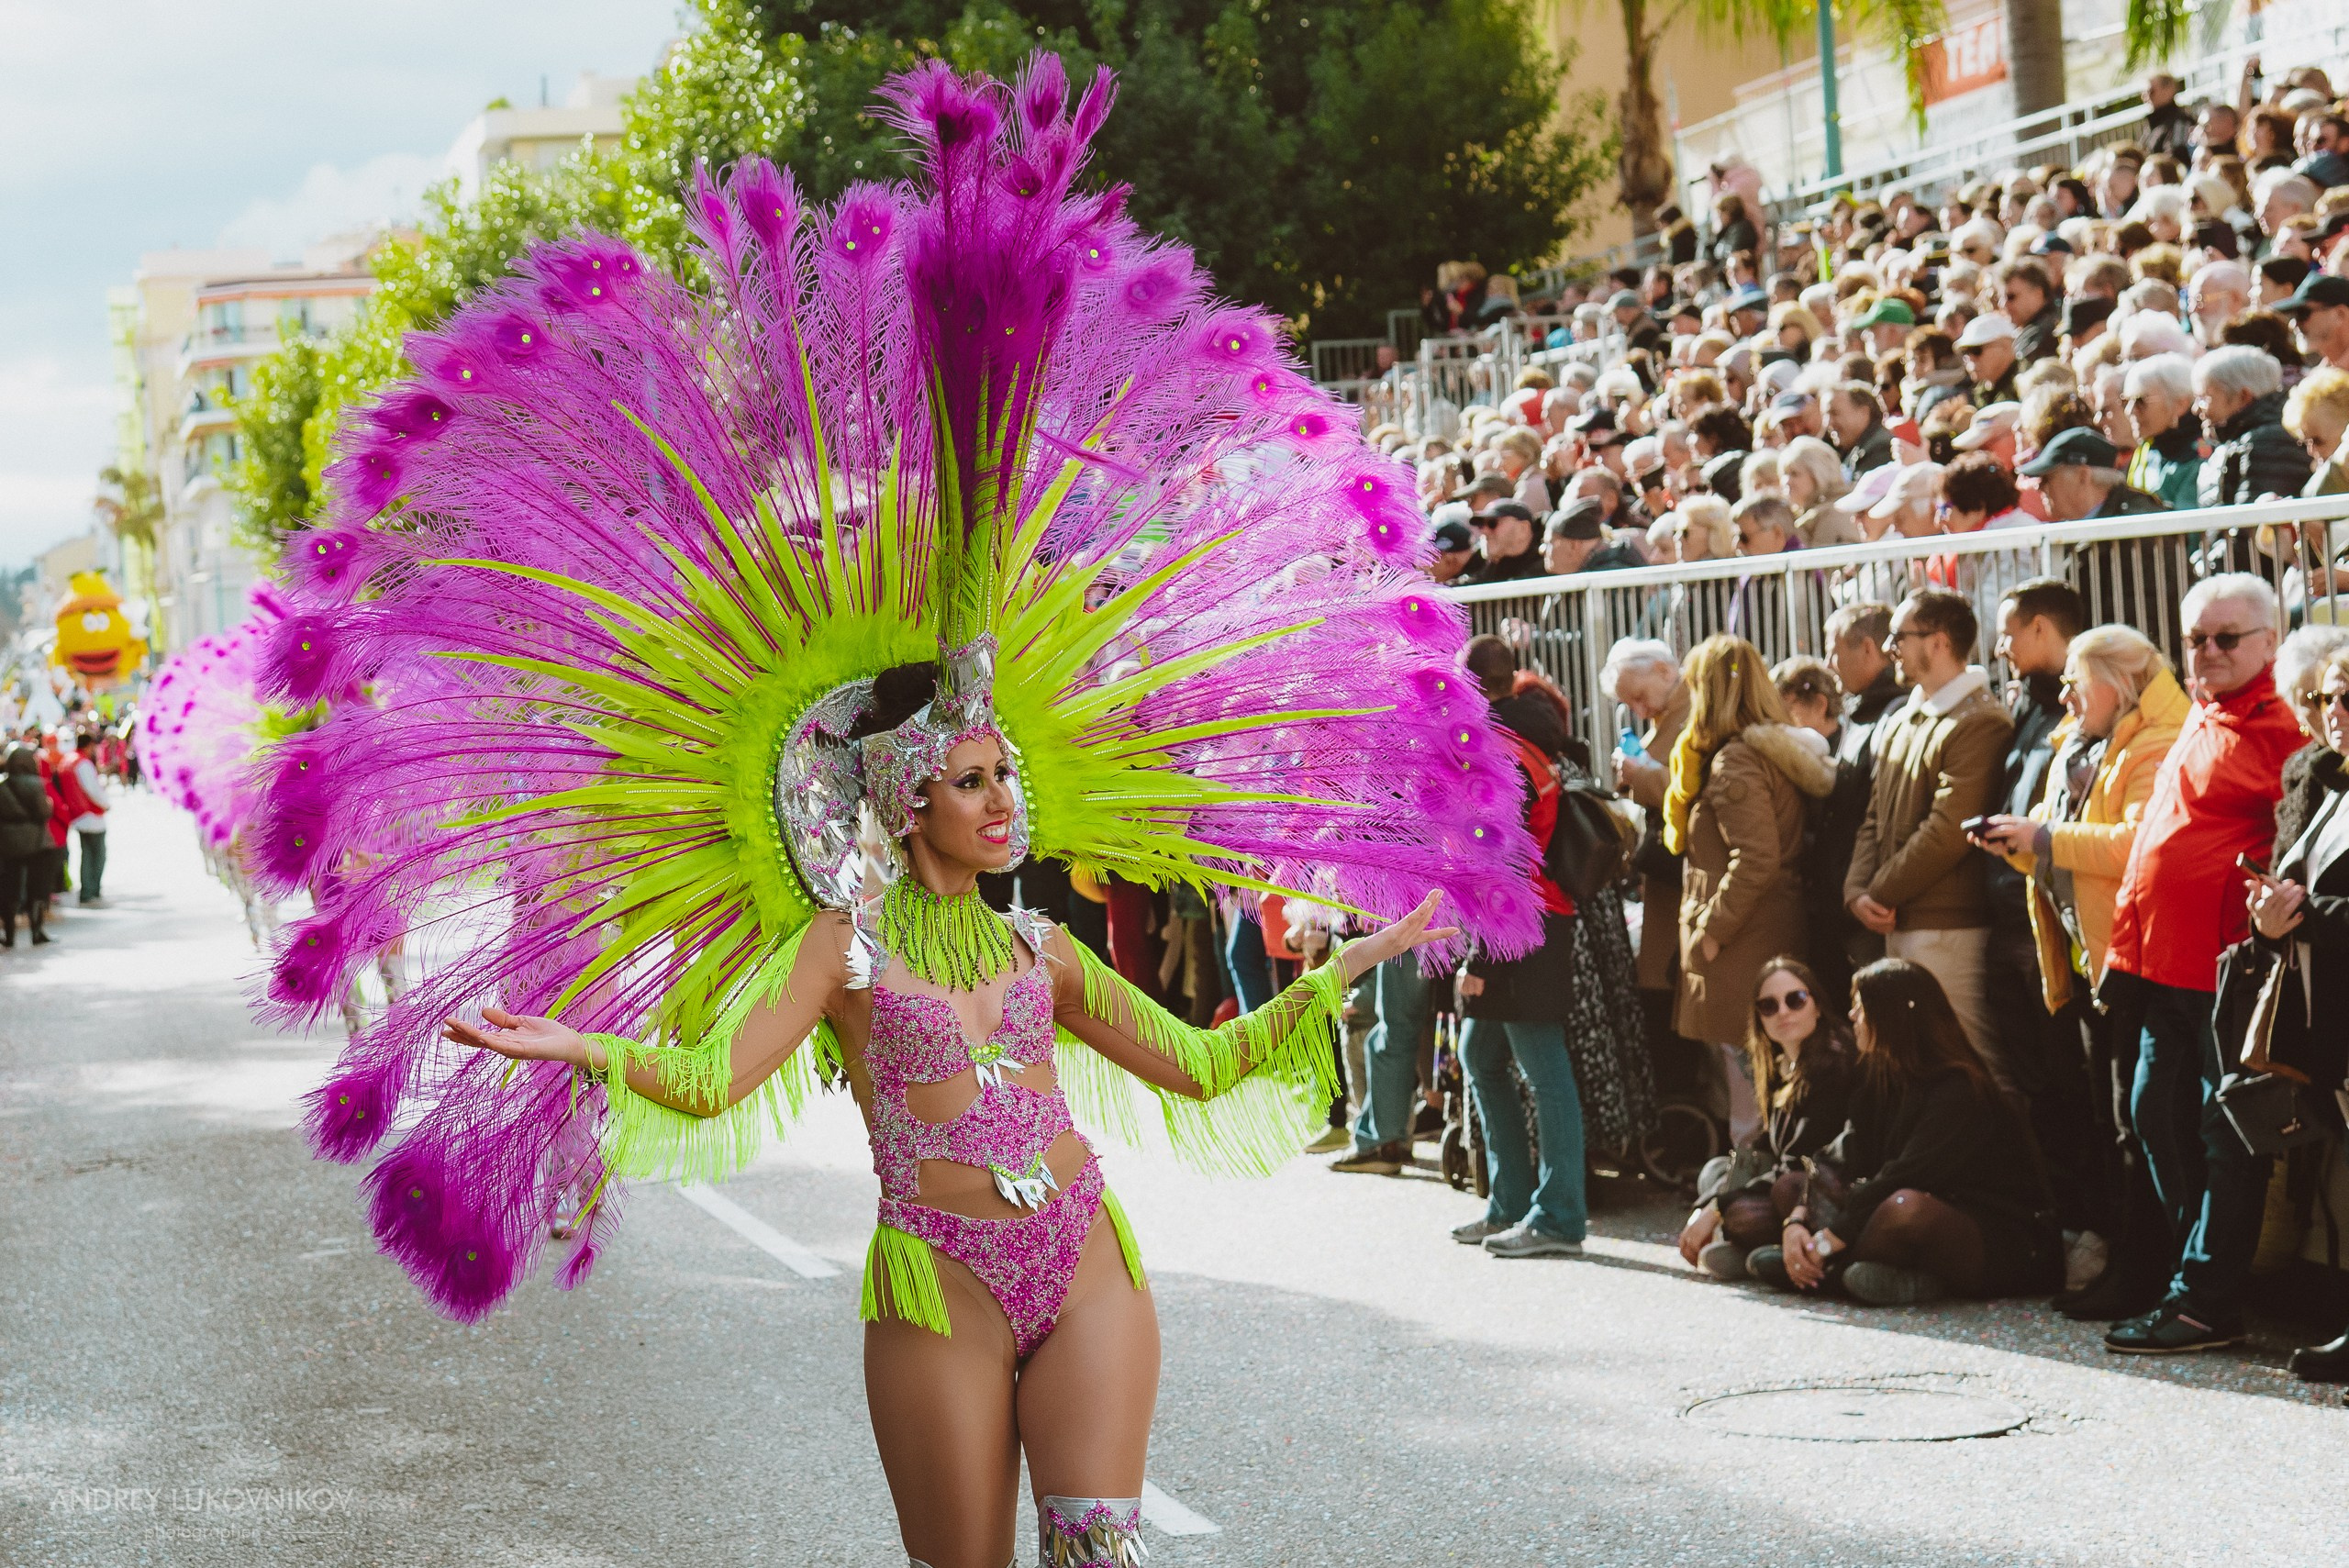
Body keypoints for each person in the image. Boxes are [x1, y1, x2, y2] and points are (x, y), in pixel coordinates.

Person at [283, 58, 1531, 1568]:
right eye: (974, 776)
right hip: (934, 1276)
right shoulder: (842, 947)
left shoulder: (1044, 953)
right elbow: (700, 1074)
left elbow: (1203, 1067)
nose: (1008, 796)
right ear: (901, 794)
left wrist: (1350, 958)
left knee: (1104, 1547)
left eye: (1008, 771)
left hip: (1086, 1257)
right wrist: (570, 1042)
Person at [2099, 575, 2304, 1355]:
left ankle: (2205, 1296)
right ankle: (2203, 1281)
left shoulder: (2284, 724)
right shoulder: (2202, 714)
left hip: (2227, 970)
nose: (2209, 651)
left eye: (2227, 638)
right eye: (2196, 639)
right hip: (2162, 964)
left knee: (2223, 1133)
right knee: (2154, 1113)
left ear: (2268, 642)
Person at [1976, 626, 2189, 1319]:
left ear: (2119, 684)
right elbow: (2053, 833)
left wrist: (2041, 838)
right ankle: (2130, 1268)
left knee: (2137, 1125)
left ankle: (2152, 1273)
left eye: (2077, 679)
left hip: (2136, 961)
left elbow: (2138, 843)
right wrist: (2019, 839)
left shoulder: (2158, 739)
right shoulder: (2082, 738)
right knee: (2106, 1122)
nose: (2063, 693)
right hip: (2085, 957)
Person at [1750, 959, 2065, 1305]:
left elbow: (1905, 1176)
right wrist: (1797, 1219)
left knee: (1904, 1209)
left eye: (1861, 1007)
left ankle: (1823, 1274)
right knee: (1792, 1185)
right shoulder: (1878, 1076)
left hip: (1991, 1235)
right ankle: (1870, 1275)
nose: (1852, 1016)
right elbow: (1838, 1156)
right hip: (1891, 1203)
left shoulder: (1958, 1088)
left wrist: (1825, 1242)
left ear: (1892, 1016)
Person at [1450, 644, 1595, 1262]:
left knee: (1542, 1065)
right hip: (1532, 919)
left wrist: (1479, 961)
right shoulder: (1523, 737)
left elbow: (1499, 864)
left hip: (1523, 924)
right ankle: (1512, 1200)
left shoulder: (1502, 751)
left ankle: (1558, 1214)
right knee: (1481, 1052)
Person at [1664, 636, 1837, 1145]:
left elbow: (1756, 858)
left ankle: (1750, 1199)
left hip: (1745, 942)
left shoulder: (1735, 761)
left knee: (1753, 1087)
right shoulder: (1765, 752)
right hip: (1764, 932)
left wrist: (1713, 930)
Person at [1843, 589, 2013, 1081]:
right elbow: (1874, 816)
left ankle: (2009, 1156)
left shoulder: (1980, 721)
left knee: (1973, 1059)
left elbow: (1947, 831)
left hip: (1948, 928)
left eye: (1900, 636)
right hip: (1898, 920)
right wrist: (1856, 892)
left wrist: (1873, 893)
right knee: (1919, 1069)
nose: (1890, 647)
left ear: (1939, 642)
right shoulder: (1904, 716)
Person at [2246, 647, 2349, 1381]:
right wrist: (2269, 915)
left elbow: (2320, 902)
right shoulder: (2334, 788)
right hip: (2328, 1013)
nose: (2334, 713)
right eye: (2328, 698)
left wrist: (2306, 913)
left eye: (2348, 698)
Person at [1676, 957, 1856, 1280]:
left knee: (1745, 1209)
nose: (1783, 1012)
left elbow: (1799, 1160)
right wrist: (1708, 1205)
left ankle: (1764, 1249)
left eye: (1796, 1000)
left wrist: (1716, 1210)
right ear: (1759, 1018)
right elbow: (1763, 1145)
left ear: (1817, 1005)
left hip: (1825, 1189)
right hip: (1791, 1185)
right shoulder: (1781, 1063)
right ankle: (1754, 1250)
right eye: (1769, 1006)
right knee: (1717, 1172)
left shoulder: (1833, 1064)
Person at [2194, 345, 2312, 506]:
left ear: (2243, 396)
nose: (2196, 409)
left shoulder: (2269, 442)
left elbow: (2254, 526)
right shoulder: (2237, 442)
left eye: (2205, 398)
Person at [2121, 353, 2205, 509]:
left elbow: (2186, 528)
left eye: (2140, 401)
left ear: (2180, 404)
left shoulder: (2199, 457)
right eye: (2125, 401)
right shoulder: (2149, 448)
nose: (2129, 411)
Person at [0, 746, 50, 947]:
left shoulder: (3, 786)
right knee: (36, 887)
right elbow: (43, 812)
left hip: (8, 844)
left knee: (9, 888)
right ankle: (36, 932)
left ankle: (10, 935)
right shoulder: (36, 784)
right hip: (36, 843)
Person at [61, 728, 107, 905]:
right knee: (96, 855)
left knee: (87, 854)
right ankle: (90, 890)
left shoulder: (68, 760)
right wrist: (106, 804)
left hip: (79, 816)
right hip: (90, 815)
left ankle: (88, 890)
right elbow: (93, 790)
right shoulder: (82, 763)